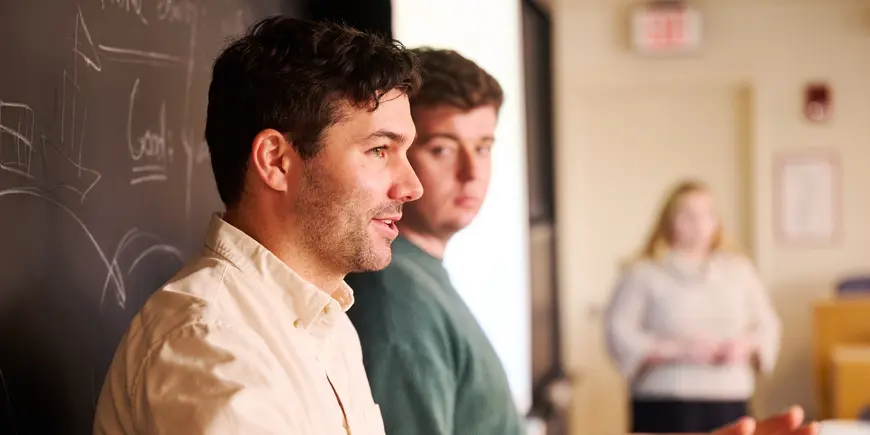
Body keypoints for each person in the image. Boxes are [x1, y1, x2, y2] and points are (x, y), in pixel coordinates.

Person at [93, 17, 422, 434]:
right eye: (379, 150)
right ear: (276, 161)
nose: (413, 186)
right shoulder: (212, 342)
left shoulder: (329, 323)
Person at [344, 48, 524, 435]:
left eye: (483, 148)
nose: (471, 172)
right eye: (442, 148)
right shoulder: (393, 289)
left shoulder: (421, 275)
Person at [604, 180, 782, 434]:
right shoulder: (643, 272)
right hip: (666, 403)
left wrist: (744, 346)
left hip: (728, 399)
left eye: (706, 215)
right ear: (669, 221)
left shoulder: (739, 270)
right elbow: (619, 333)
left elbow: (767, 325)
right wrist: (677, 350)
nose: (698, 224)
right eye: (688, 216)